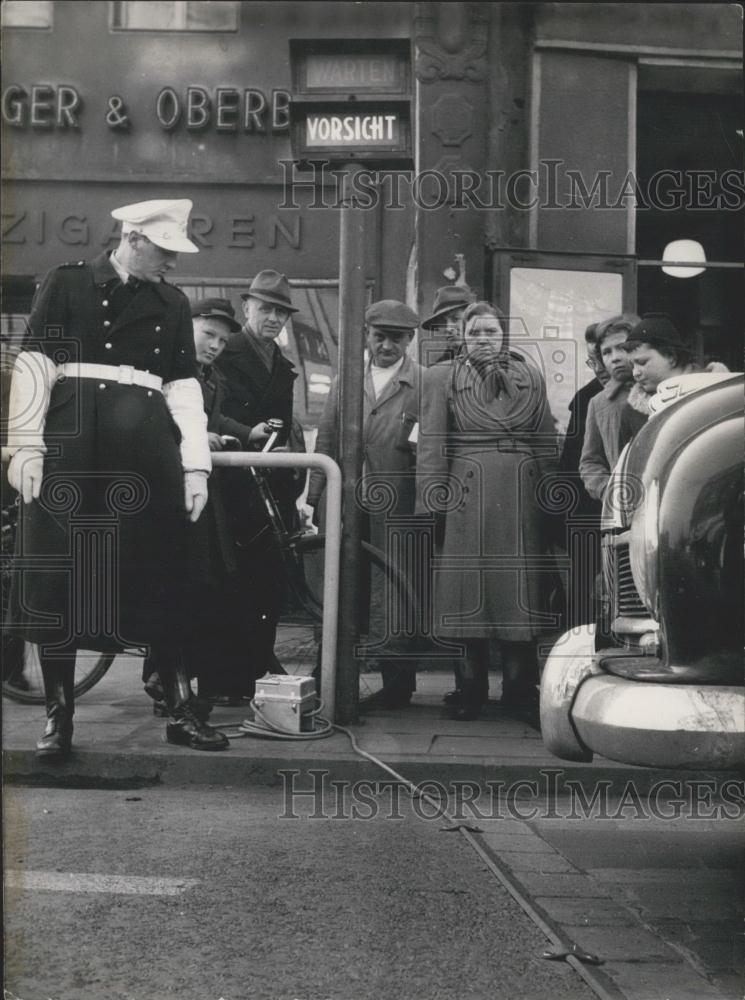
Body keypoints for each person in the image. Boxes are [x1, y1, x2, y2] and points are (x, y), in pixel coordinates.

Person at [6, 198, 229, 755]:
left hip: (147, 451)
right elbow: (36, 365)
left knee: (162, 575)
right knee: (59, 580)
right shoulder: (66, 282)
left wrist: (195, 463)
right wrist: (25, 447)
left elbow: (183, 387)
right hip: (72, 445)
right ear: (132, 237)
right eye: (165, 250)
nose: (173, 263)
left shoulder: (173, 302)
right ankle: (60, 718)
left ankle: (179, 711)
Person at [416, 301, 560, 719]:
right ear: (461, 336)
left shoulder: (529, 375)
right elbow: (431, 444)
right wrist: (432, 504)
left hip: (521, 496)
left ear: (503, 336)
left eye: (491, 333)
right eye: (475, 332)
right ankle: (470, 690)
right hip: (467, 496)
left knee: (521, 593)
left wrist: (550, 498)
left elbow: (544, 438)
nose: (483, 340)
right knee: (466, 596)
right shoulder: (440, 376)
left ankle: (519, 690)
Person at [142, 298, 258, 710]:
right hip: (167, 490)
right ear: (187, 326)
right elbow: (153, 417)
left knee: (201, 585)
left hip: (201, 494)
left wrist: (246, 432)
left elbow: (214, 419)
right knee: (175, 584)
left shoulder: (211, 377)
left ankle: (175, 687)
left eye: (223, 341)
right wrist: (192, 438)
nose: (214, 345)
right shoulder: (162, 368)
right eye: (208, 334)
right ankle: (162, 682)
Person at [307, 300, 423, 708]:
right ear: (368, 336)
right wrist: (315, 495)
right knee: (340, 584)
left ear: (410, 340)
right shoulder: (347, 378)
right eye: (379, 336)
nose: (387, 345)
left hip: (397, 503)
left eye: (397, 338)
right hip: (347, 499)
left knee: (395, 588)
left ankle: (397, 683)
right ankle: (335, 677)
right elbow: (326, 436)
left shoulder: (423, 383)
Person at [215, 269, 299, 688]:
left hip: (270, 483)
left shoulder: (282, 366)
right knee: (228, 580)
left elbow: (283, 422)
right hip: (229, 484)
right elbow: (211, 410)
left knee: (267, 579)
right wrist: (248, 435)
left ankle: (256, 669)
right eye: (266, 308)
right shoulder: (223, 352)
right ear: (246, 306)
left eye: (281, 313)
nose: (274, 319)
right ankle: (226, 676)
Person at [554, 322, 607, 628]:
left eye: (603, 356)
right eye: (593, 360)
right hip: (587, 518)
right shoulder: (587, 400)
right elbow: (570, 467)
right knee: (587, 605)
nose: (599, 367)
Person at [619, 313, 730, 447]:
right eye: (632, 365)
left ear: (671, 356)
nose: (635, 373)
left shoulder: (721, 396)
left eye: (642, 362)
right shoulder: (632, 411)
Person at [578, 313, 640, 502]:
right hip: (624, 505)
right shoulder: (599, 403)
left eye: (622, 348)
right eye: (606, 352)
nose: (614, 358)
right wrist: (607, 490)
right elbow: (590, 461)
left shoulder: (661, 389)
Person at [420, 283, 476, 365]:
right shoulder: (437, 371)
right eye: (443, 322)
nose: (449, 328)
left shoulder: (492, 364)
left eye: (455, 319)